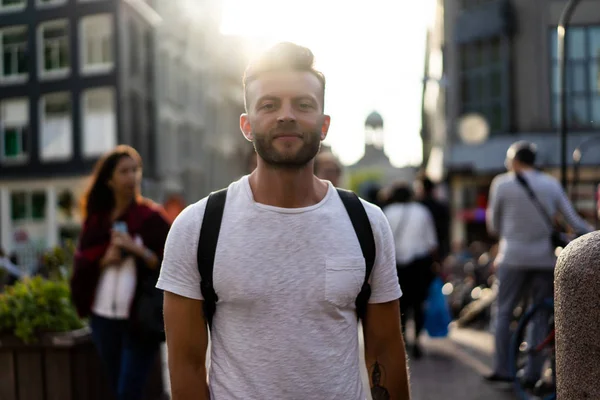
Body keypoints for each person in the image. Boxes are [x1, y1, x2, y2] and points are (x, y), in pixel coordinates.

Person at [157, 42, 410, 400]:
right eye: (269, 105)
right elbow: (185, 365)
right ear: (247, 125)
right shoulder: (197, 227)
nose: (286, 116)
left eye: (303, 105)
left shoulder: (366, 223)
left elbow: (384, 351)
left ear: (324, 125)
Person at [485, 141, 593, 386]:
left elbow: (493, 226)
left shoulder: (501, 184)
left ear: (514, 161)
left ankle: (502, 369)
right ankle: (532, 373)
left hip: (511, 257)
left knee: (503, 312)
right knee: (539, 314)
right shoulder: (550, 184)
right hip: (544, 259)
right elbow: (574, 220)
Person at [71, 145, 171, 400]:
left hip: (140, 318)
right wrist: (104, 259)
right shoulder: (96, 222)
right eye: (124, 171)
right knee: (117, 386)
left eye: (135, 170)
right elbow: (82, 264)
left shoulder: (152, 218)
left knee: (128, 391)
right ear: (109, 180)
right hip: (103, 317)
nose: (132, 177)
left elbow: (172, 263)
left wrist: (137, 250)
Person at [383, 183, 438, 359]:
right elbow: (431, 242)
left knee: (400, 304)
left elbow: (383, 243)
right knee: (418, 304)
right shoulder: (422, 212)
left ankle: (404, 339)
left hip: (396, 265)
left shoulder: (387, 212)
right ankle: (418, 341)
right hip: (419, 265)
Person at [415, 177, 450, 262]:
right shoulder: (441, 207)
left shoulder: (417, 207)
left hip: (421, 252)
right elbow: (445, 232)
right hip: (437, 251)